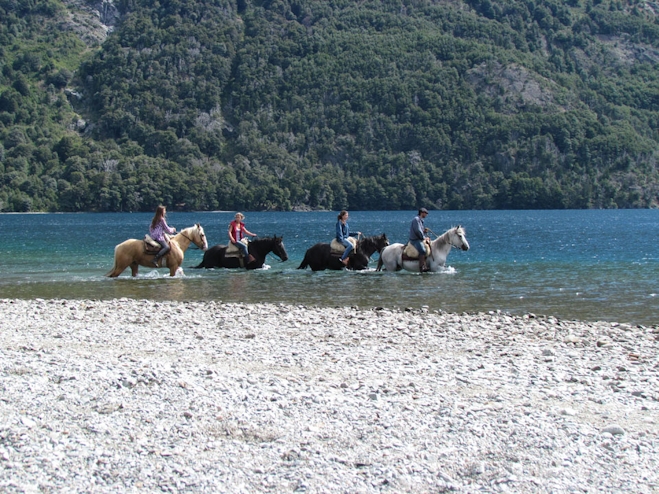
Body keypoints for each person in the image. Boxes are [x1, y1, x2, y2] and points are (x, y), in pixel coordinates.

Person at [409, 207, 430, 272]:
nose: (426, 215)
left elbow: (420, 231)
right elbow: (418, 231)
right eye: (425, 213)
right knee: (423, 250)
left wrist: (424, 231)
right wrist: (424, 237)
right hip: (415, 240)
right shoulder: (416, 220)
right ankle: (422, 267)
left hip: (419, 238)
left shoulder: (420, 220)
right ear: (422, 213)